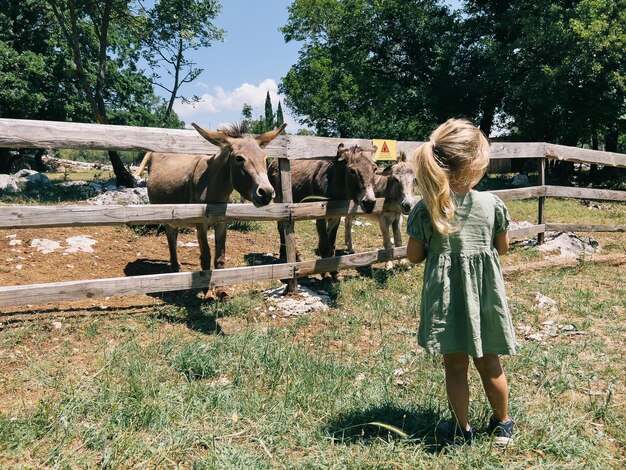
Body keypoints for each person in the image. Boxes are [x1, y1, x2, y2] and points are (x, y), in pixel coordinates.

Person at [406, 118, 516, 447]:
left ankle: (461, 430)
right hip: (485, 297)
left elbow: (413, 256)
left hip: (446, 301)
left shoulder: (427, 209)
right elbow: (503, 247)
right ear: (475, 164)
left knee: (454, 366)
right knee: (490, 362)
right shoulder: (492, 205)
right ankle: (502, 426)